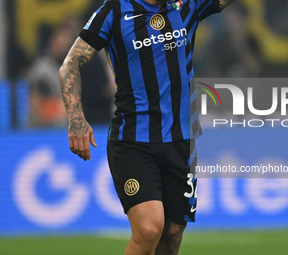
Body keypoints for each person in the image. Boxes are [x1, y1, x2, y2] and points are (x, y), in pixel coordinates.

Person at [59, 0, 237, 254]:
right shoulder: (114, 11)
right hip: (133, 141)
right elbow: (70, 65)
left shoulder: (189, 5)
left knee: (172, 235)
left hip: (182, 142)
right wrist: (76, 118)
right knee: (149, 229)